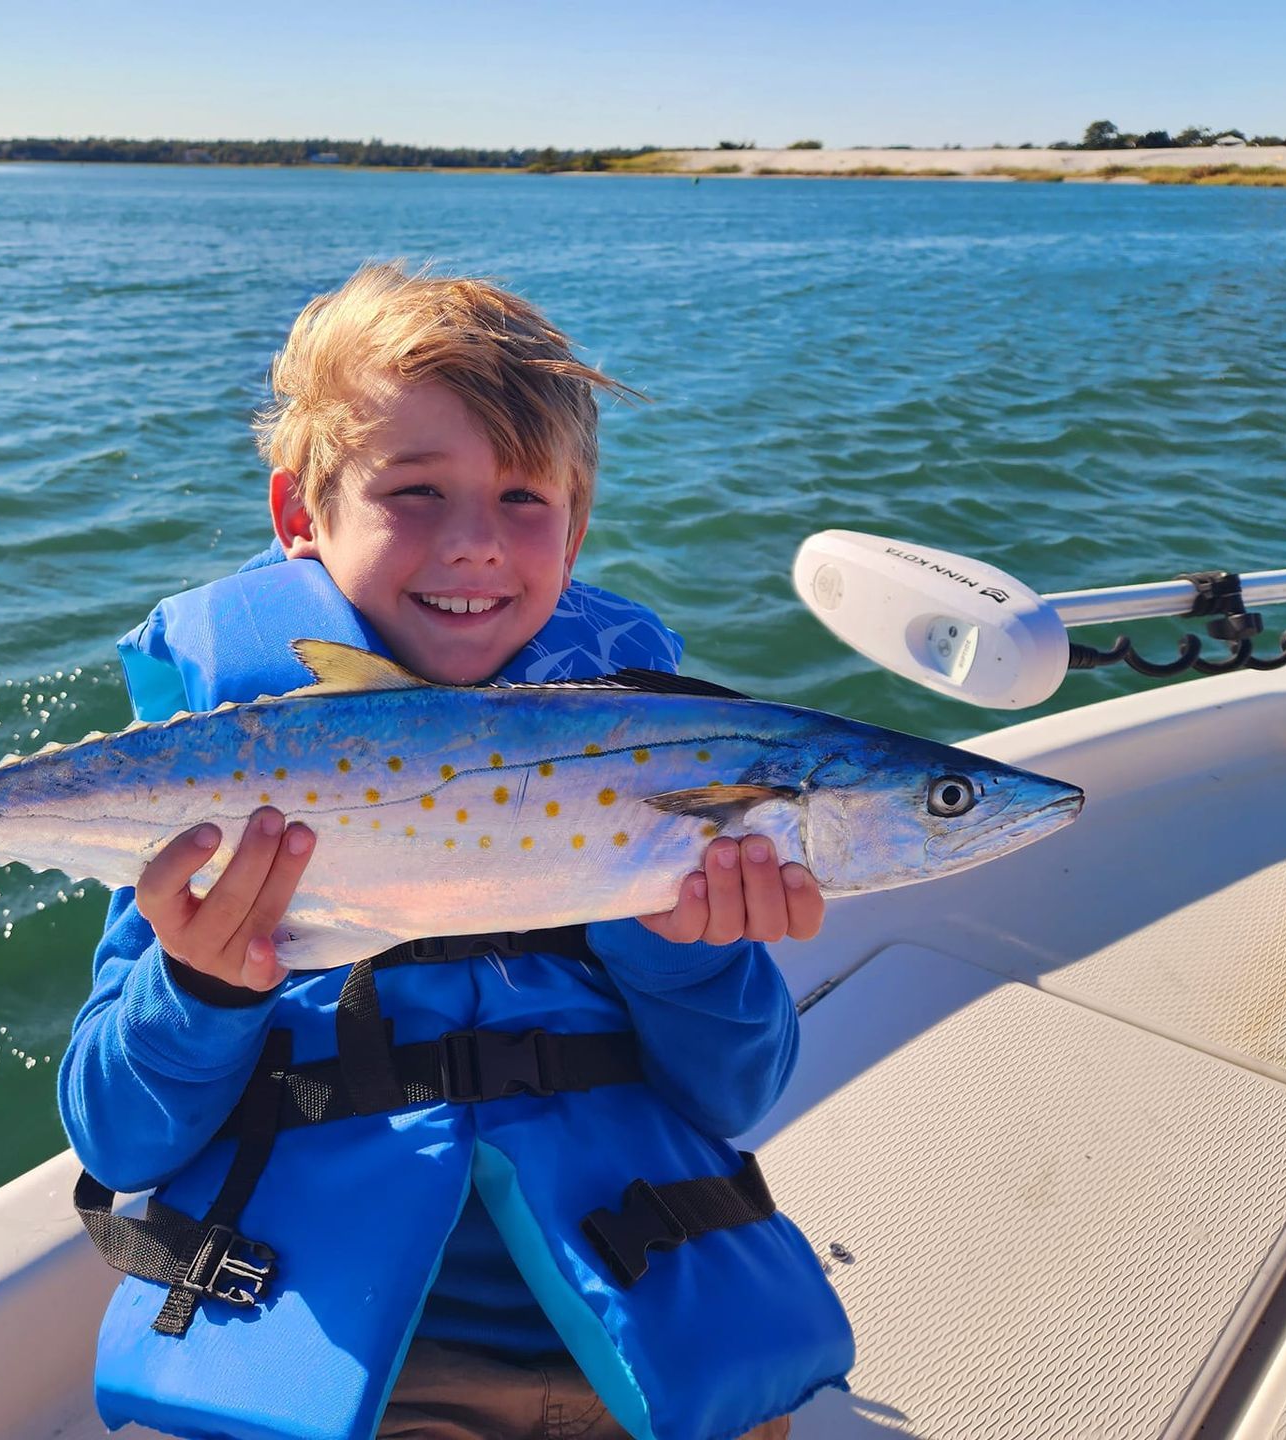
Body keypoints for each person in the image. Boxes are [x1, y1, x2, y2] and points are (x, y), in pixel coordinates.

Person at [62, 264, 854, 1440]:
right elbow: (119, 1134)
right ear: (300, 520)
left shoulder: (657, 768)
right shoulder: (230, 784)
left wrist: (686, 957)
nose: (477, 544)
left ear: (577, 529)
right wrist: (198, 986)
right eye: (418, 491)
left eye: (526, 498)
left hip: (643, 1325)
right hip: (353, 1353)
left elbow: (735, 1097)